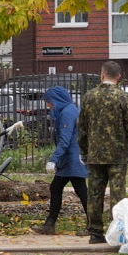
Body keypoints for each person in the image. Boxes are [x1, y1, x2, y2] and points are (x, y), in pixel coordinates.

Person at [77, 61, 128, 244]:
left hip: (95, 153)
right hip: (117, 154)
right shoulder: (123, 98)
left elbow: (82, 126)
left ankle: (95, 233)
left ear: (102, 74)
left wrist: (83, 150)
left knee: (95, 193)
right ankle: (118, 232)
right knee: (117, 194)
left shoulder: (89, 97)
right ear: (119, 77)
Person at [35, 85, 87, 235]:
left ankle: (93, 226)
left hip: (71, 158)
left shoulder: (67, 113)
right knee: (62, 188)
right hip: (69, 158)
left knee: (79, 190)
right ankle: (49, 225)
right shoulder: (69, 109)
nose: (49, 105)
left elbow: (65, 139)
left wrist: (54, 159)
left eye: (50, 101)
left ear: (57, 99)